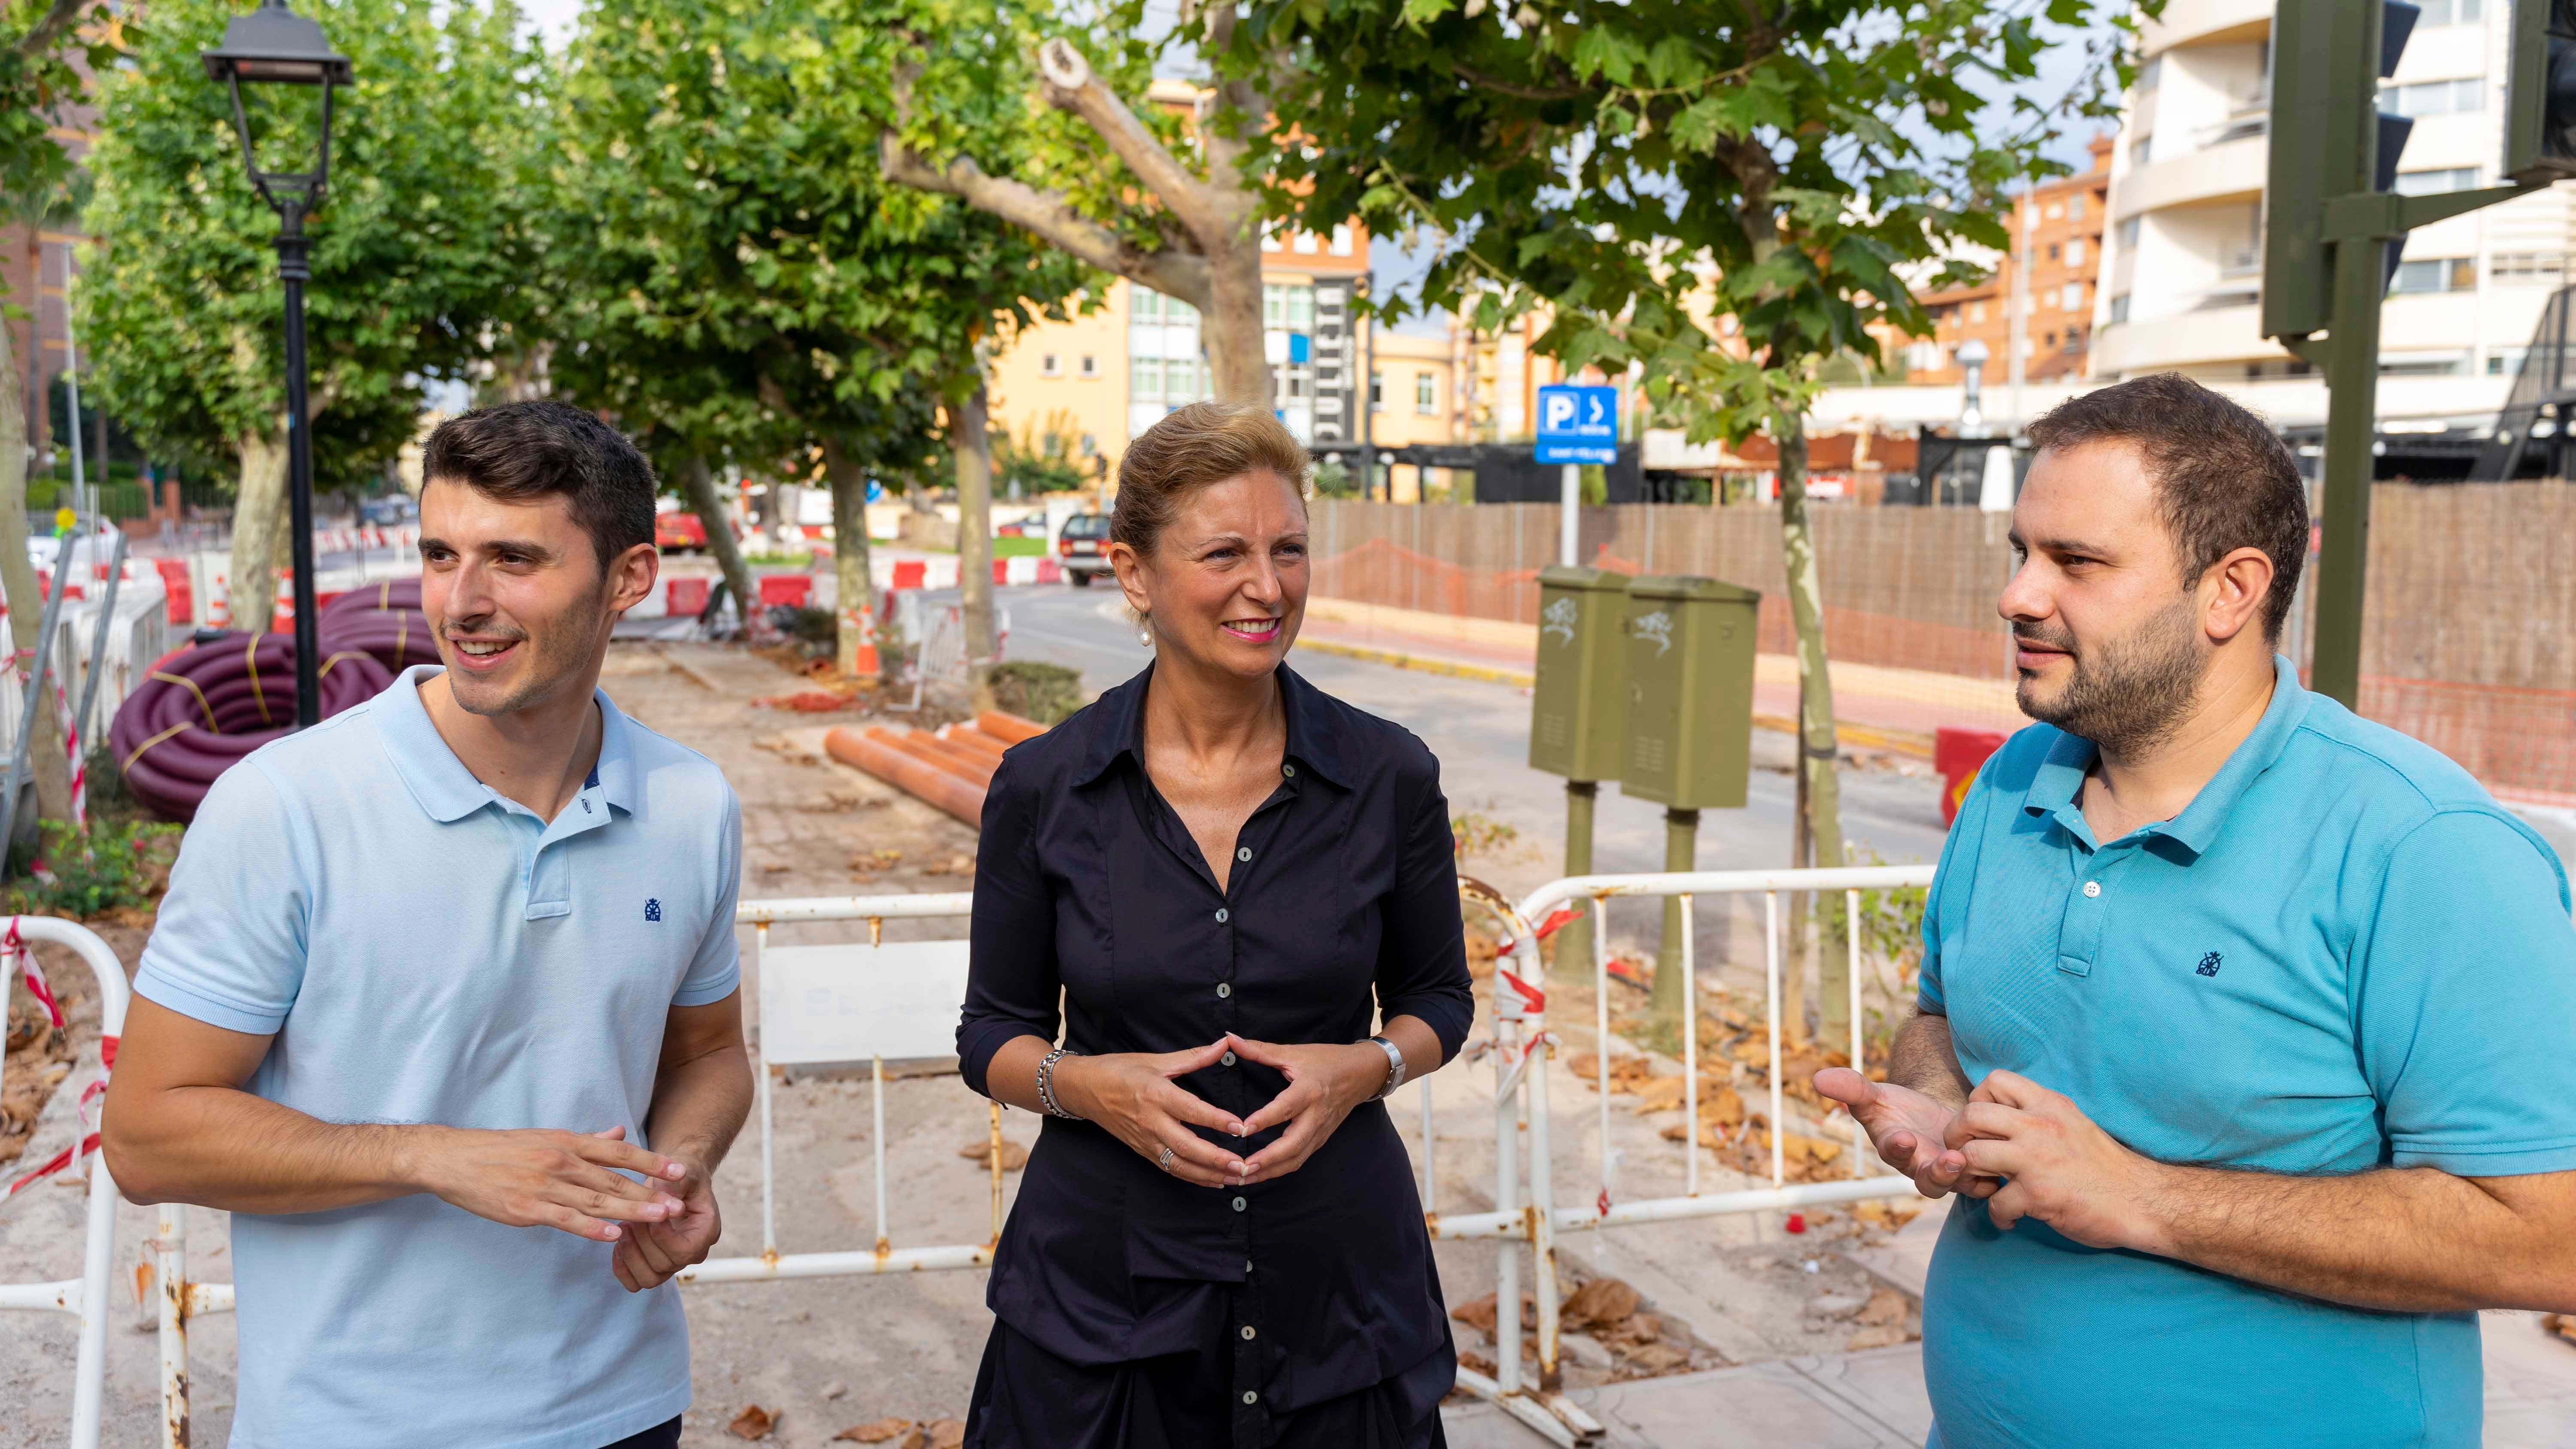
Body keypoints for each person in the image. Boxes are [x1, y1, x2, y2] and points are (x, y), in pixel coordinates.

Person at [1814, 373, 2576, 1447]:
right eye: (2021, 552)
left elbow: (2550, 1235)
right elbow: (1946, 1011)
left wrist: (2140, 1194)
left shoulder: (2422, 846)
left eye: (2077, 562)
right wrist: (1936, 1099)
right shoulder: (2013, 780)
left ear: (2232, 590)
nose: (2020, 596)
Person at [103, 400, 752, 1449]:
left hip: (623, 1403)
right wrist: (432, 1154)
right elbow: (144, 1135)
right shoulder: (286, 805)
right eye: (440, 553)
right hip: (355, 1421)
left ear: (630, 577)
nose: (463, 602)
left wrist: (680, 1166)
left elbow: (712, 1052)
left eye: (512, 558)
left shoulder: (691, 802)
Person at [956, 402, 1476, 1448]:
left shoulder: (1389, 774)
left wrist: (1363, 1067)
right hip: (1105, 1309)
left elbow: (1438, 1001)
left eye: (1290, 550)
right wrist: (1088, 1087)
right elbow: (990, 1035)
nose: (1268, 586)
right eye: (1225, 552)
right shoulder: (1046, 784)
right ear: (1134, 572)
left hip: (1335, 1299)